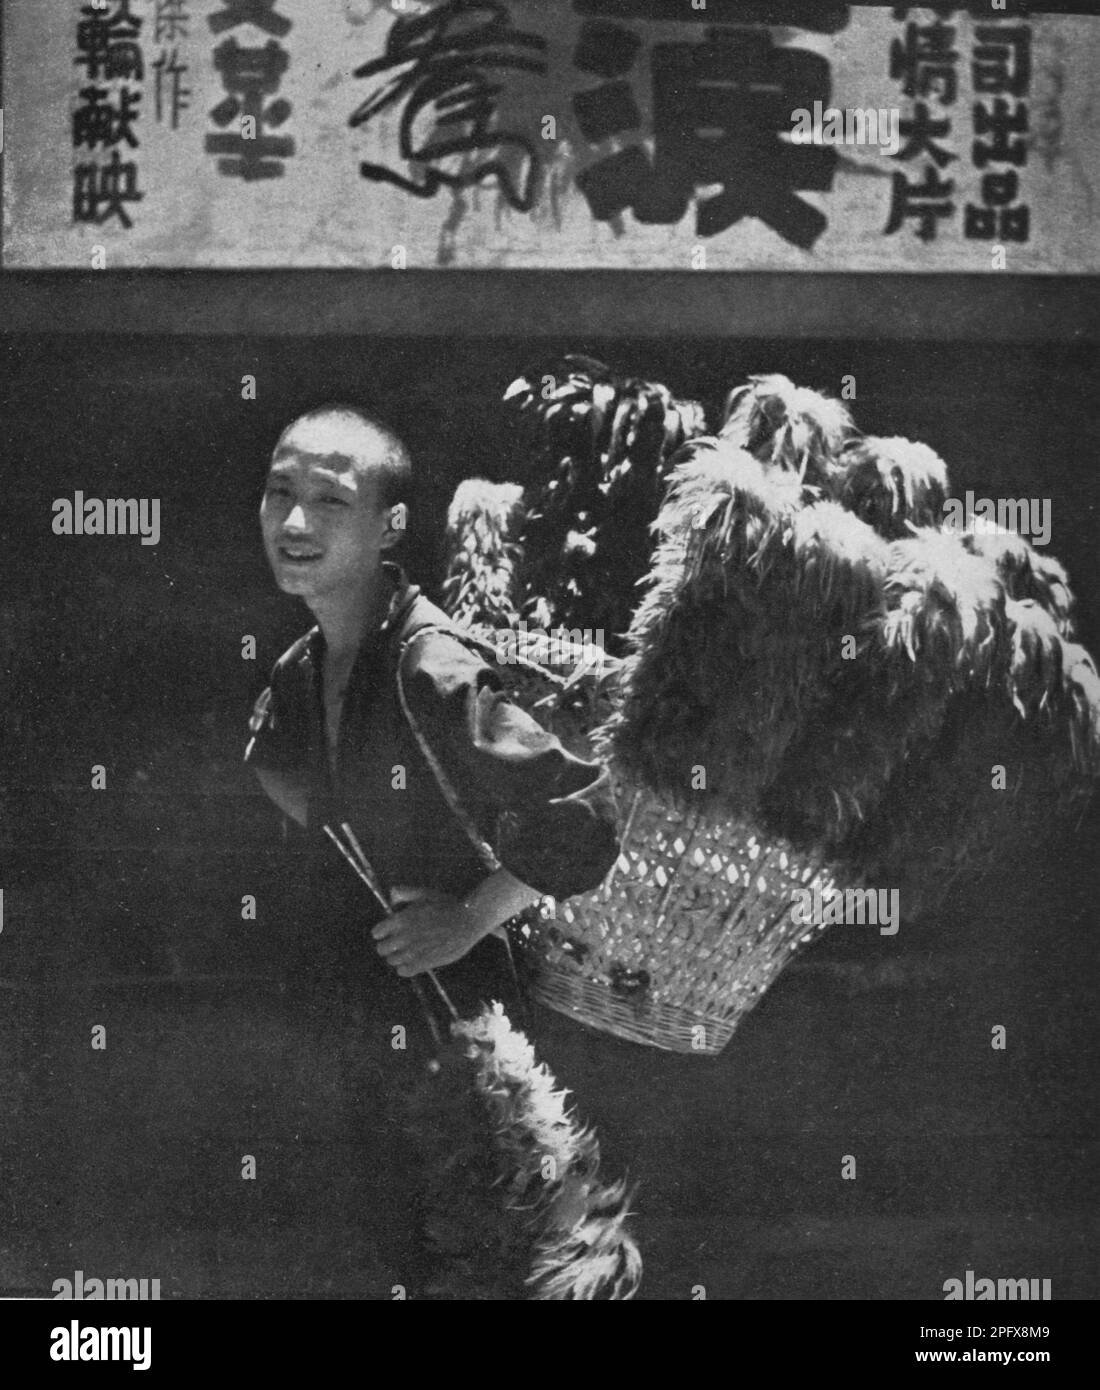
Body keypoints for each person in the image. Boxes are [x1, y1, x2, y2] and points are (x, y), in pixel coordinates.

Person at [244, 403, 620, 1044]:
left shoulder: (428, 665)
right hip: (356, 1008)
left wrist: (472, 916)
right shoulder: (299, 668)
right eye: (280, 493)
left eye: (331, 501)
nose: (294, 521)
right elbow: (270, 761)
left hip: (468, 1021)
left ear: (390, 527)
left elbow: (584, 812)